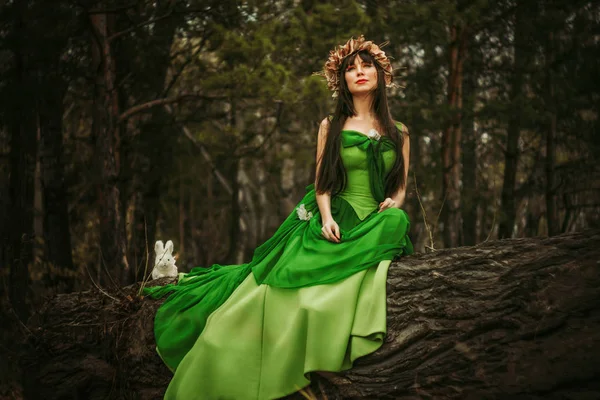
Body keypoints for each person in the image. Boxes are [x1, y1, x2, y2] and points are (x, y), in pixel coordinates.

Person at [143, 35, 414, 400]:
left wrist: (394, 203)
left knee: (397, 222)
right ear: (343, 82)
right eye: (351, 69)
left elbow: (400, 188)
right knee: (267, 284)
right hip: (339, 213)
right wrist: (327, 217)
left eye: (366, 66)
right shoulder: (329, 127)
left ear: (380, 74)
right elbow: (321, 184)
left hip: (378, 219)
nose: (360, 72)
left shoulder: (399, 132)